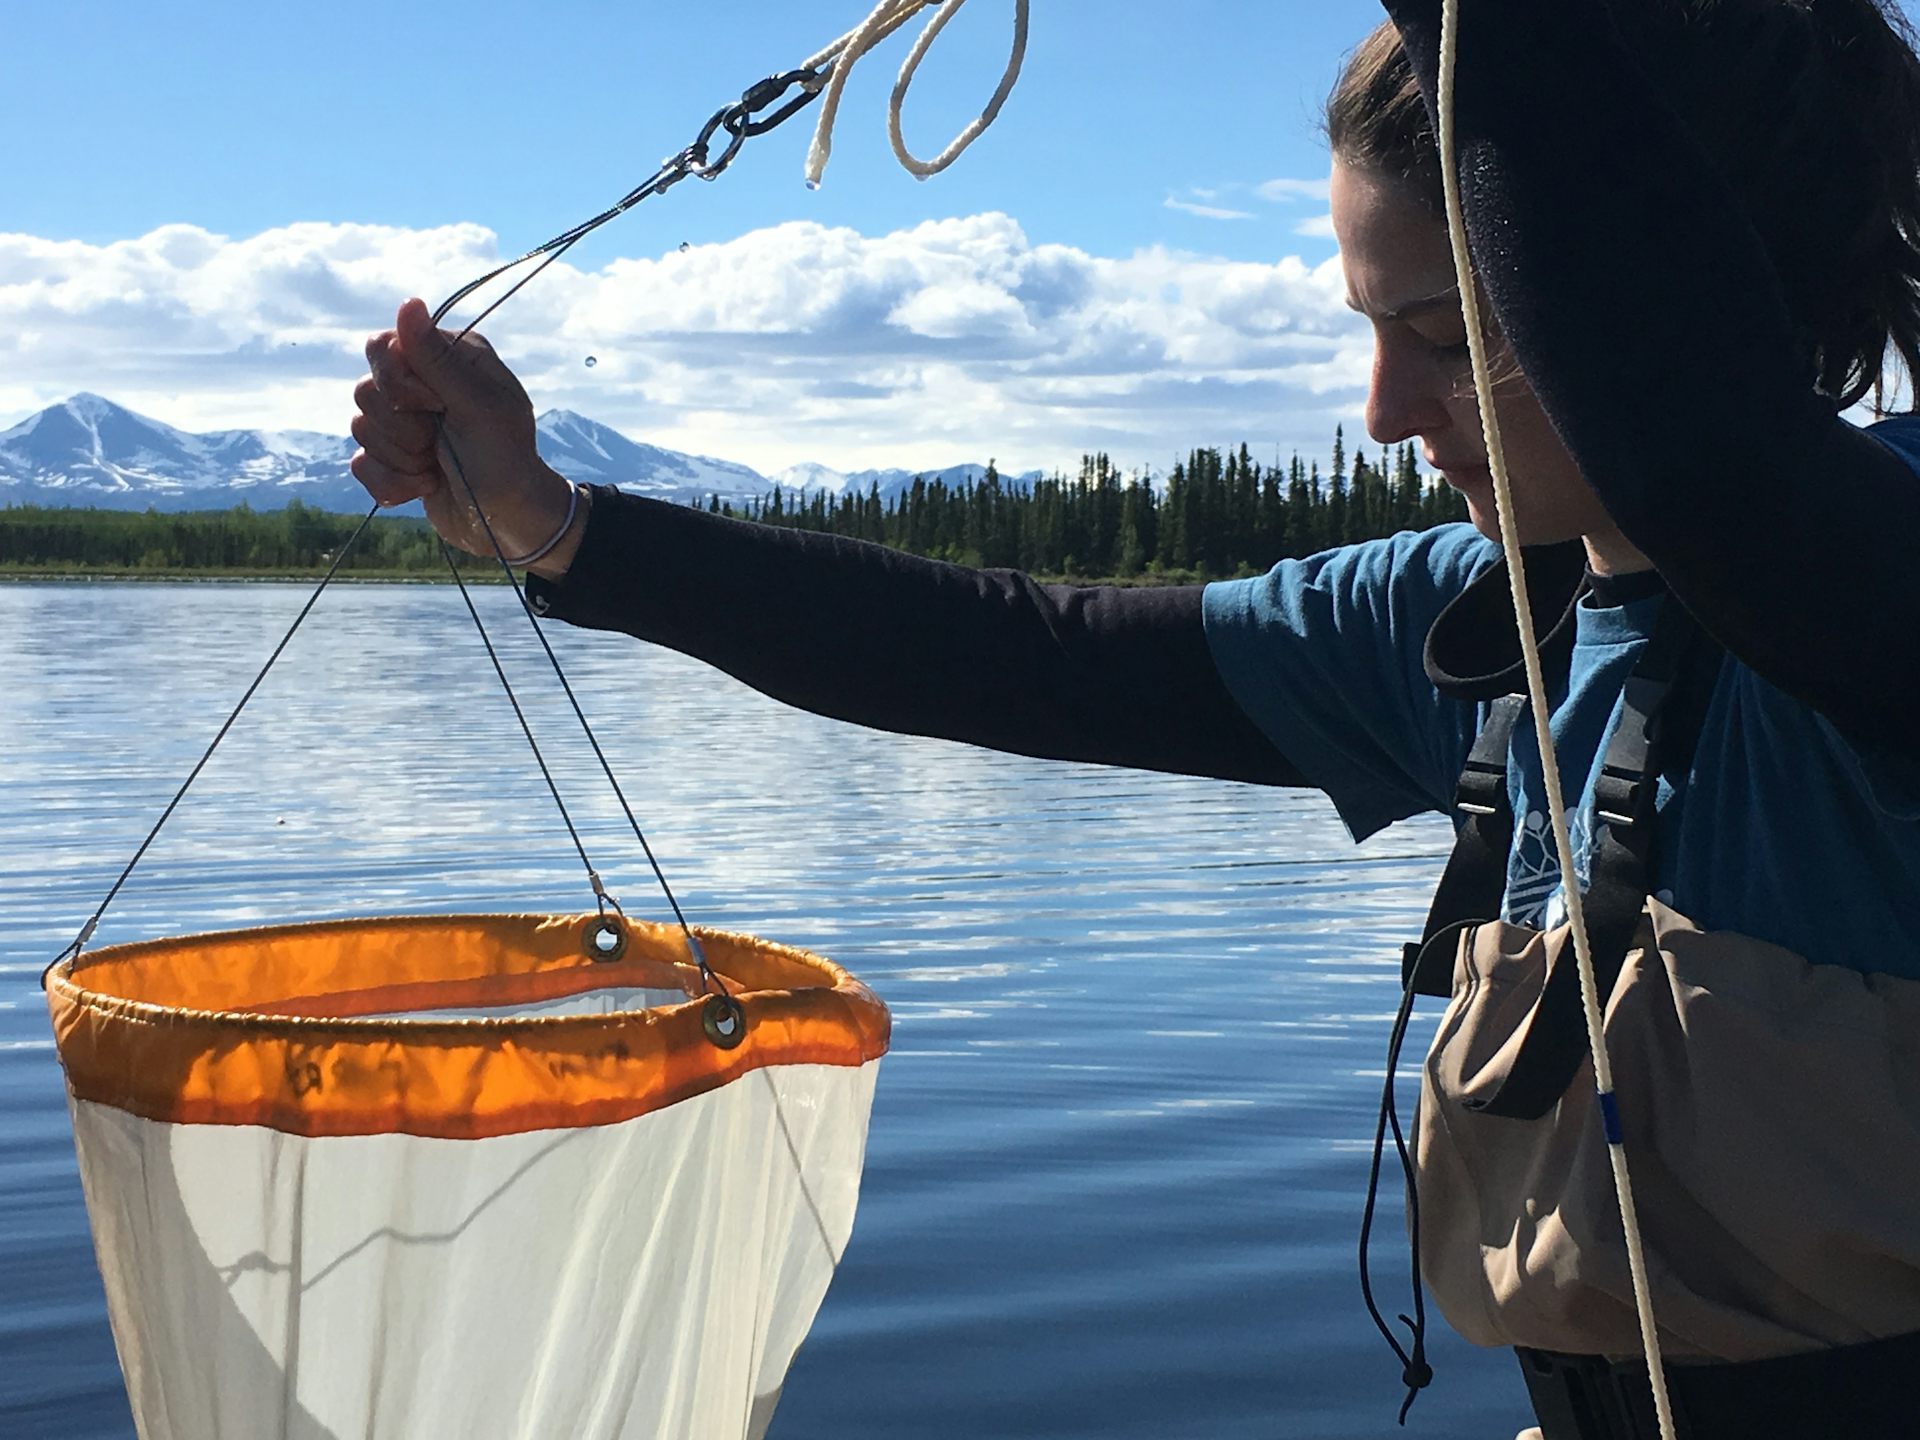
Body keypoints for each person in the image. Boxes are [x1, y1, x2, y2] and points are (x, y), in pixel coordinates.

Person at [351, 1, 1920, 1434]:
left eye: (1448, 340)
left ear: (1650, 289)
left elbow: (1715, 465)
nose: (1382, 411)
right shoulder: (1475, 618)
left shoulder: (1885, 590)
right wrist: (560, 528)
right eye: (1375, 334)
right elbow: (1026, 652)